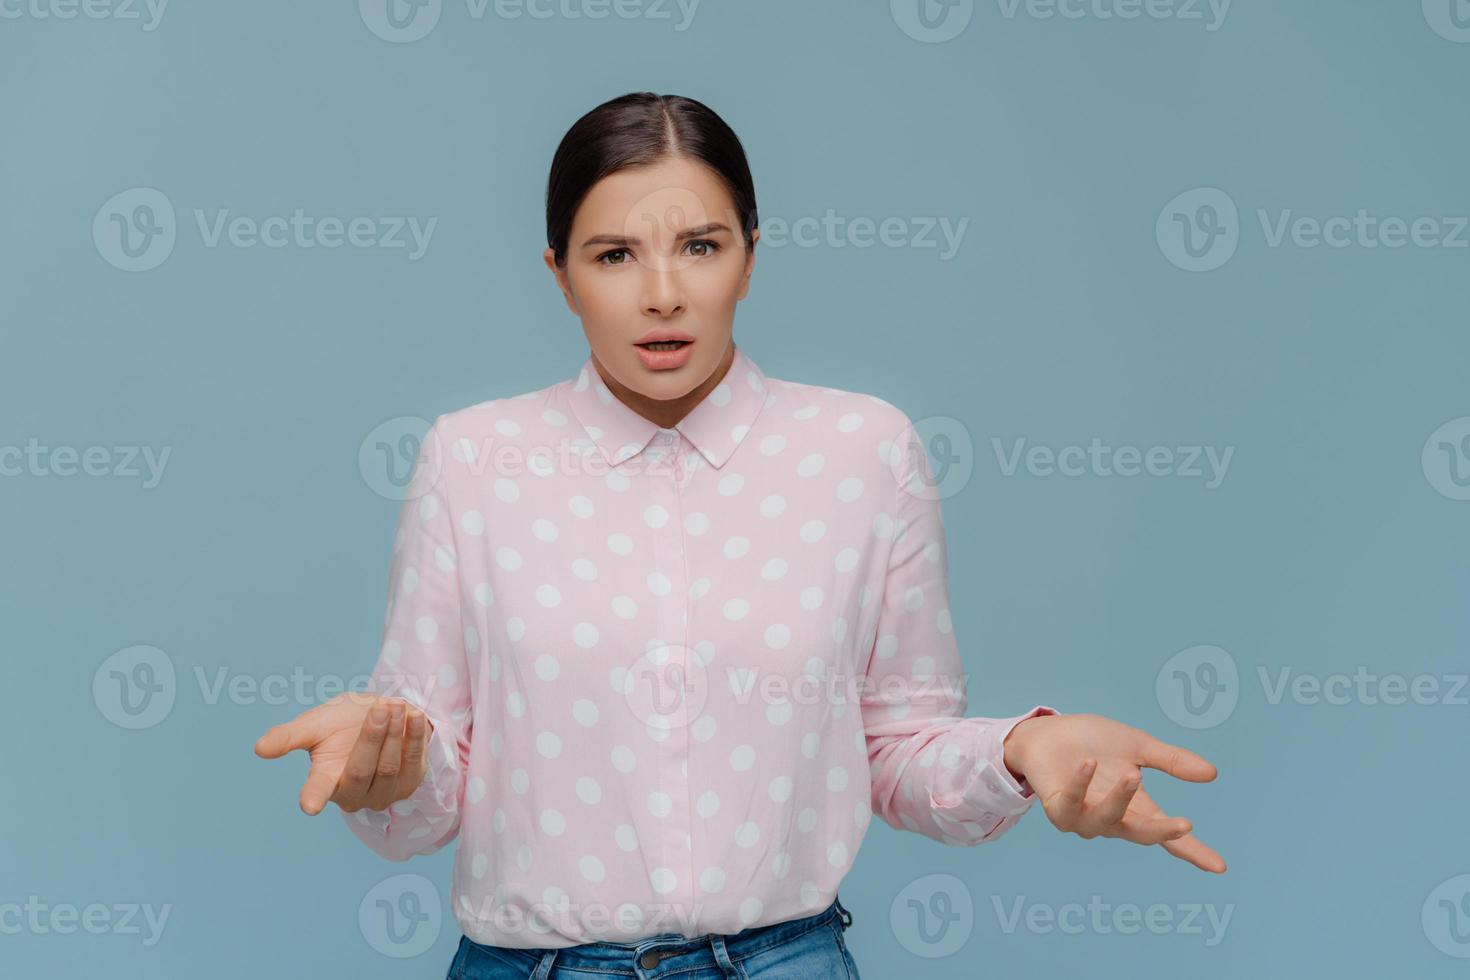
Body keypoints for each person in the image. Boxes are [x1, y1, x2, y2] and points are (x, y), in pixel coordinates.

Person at [254, 91, 1225, 979]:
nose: (663, 292)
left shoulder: (864, 452)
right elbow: (428, 797)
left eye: (702, 246)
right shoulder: (472, 459)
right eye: (614, 254)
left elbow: (898, 748)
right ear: (560, 276)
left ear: (752, 255)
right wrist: (392, 759)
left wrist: (1023, 749)